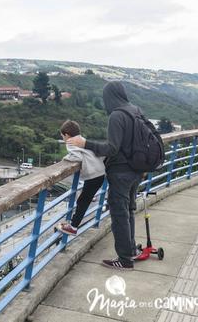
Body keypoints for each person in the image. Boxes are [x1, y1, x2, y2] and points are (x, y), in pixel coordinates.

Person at [67, 81, 143, 271]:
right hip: (136, 170)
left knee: (119, 214)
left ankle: (125, 260)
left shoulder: (117, 115)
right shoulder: (135, 110)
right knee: (129, 211)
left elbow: (111, 148)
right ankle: (131, 250)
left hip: (121, 173)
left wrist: (86, 144)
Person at [57, 120, 105, 236]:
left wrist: (65, 159)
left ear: (67, 135)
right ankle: (73, 224)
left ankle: (73, 227)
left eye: (62, 136)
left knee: (83, 201)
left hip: (93, 175)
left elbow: (77, 157)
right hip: (101, 172)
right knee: (85, 199)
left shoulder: (70, 143)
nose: (63, 139)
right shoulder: (81, 139)